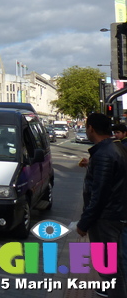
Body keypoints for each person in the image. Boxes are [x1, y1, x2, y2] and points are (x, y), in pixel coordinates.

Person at [76, 113, 127, 298]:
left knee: (107, 265)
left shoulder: (104, 153)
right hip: (114, 215)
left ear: (91, 128)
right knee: (115, 264)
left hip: (105, 218)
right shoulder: (115, 148)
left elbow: (100, 194)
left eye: (87, 127)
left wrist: (84, 222)